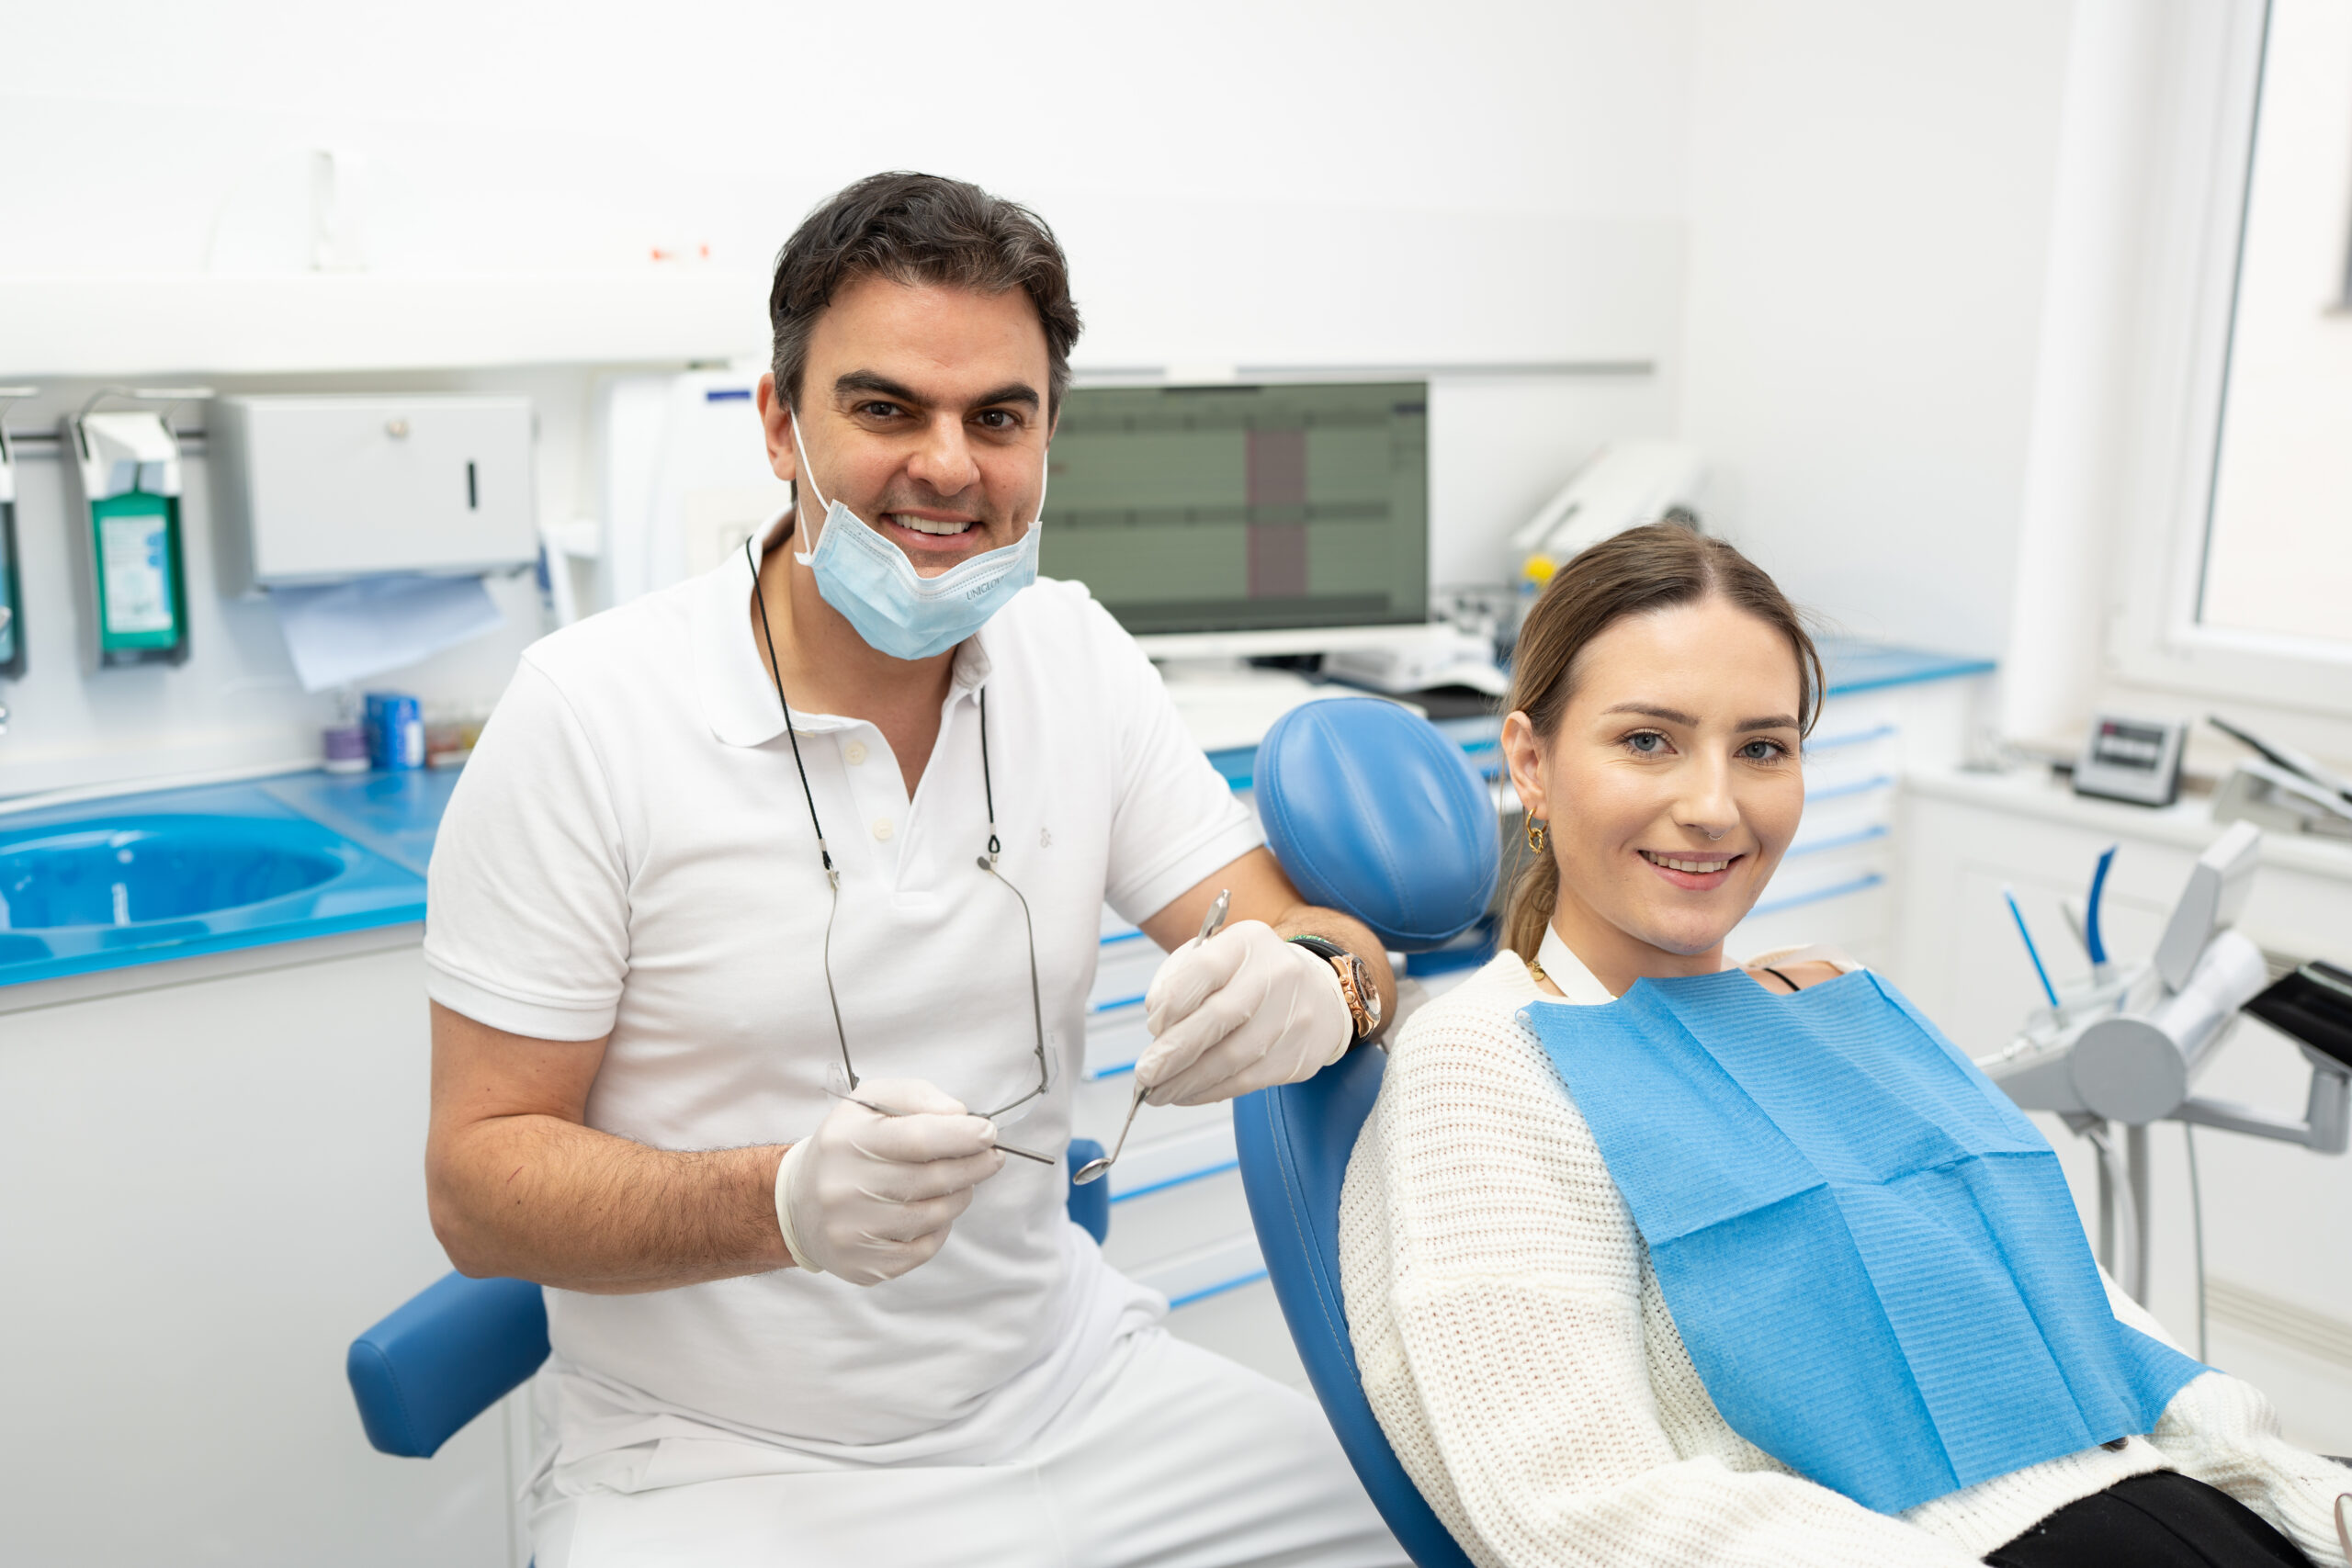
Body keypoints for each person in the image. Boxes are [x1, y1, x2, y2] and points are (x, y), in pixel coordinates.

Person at [424, 172, 1406, 1568]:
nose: (948, 465)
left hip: (1081, 1395)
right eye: (886, 407)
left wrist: (1323, 985)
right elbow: (477, 1183)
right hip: (724, 1462)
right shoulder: (591, 715)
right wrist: (777, 1200)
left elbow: (1324, 937)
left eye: (997, 417)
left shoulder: (1073, 656)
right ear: (781, 423)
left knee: (1447, 1526)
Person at [1338, 522, 2352, 1568]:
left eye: (1762, 748)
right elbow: (1582, 1509)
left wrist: (2303, 1496)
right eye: (1648, 740)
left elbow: (2091, 1320)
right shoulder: (1489, 1063)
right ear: (1531, 762)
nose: (1712, 806)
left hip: (2184, 1512)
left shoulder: (1836, 999)